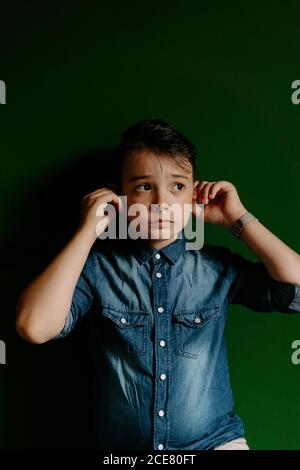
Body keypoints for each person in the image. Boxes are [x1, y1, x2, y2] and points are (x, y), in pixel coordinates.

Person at [16, 118, 300, 450]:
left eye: (177, 186)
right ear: (119, 196)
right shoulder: (97, 269)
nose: (161, 202)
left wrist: (236, 219)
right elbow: (34, 326)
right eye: (143, 186)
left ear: (194, 192)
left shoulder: (217, 268)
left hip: (214, 444)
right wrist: (87, 231)